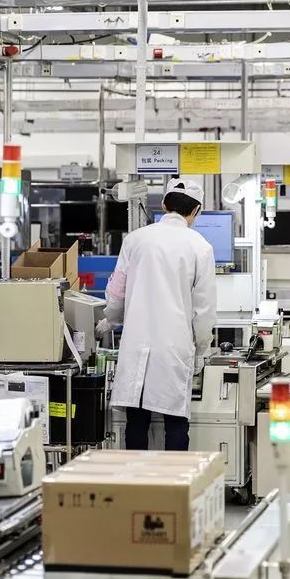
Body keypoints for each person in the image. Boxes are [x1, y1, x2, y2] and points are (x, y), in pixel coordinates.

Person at [102, 178, 217, 450]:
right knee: (175, 422)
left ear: (164, 204)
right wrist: (202, 349)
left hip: (136, 345)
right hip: (174, 349)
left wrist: (111, 320)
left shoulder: (135, 240)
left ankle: (135, 475)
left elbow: (117, 293)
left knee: (136, 423)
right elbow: (204, 310)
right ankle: (174, 477)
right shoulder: (200, 247)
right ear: (196, 210)